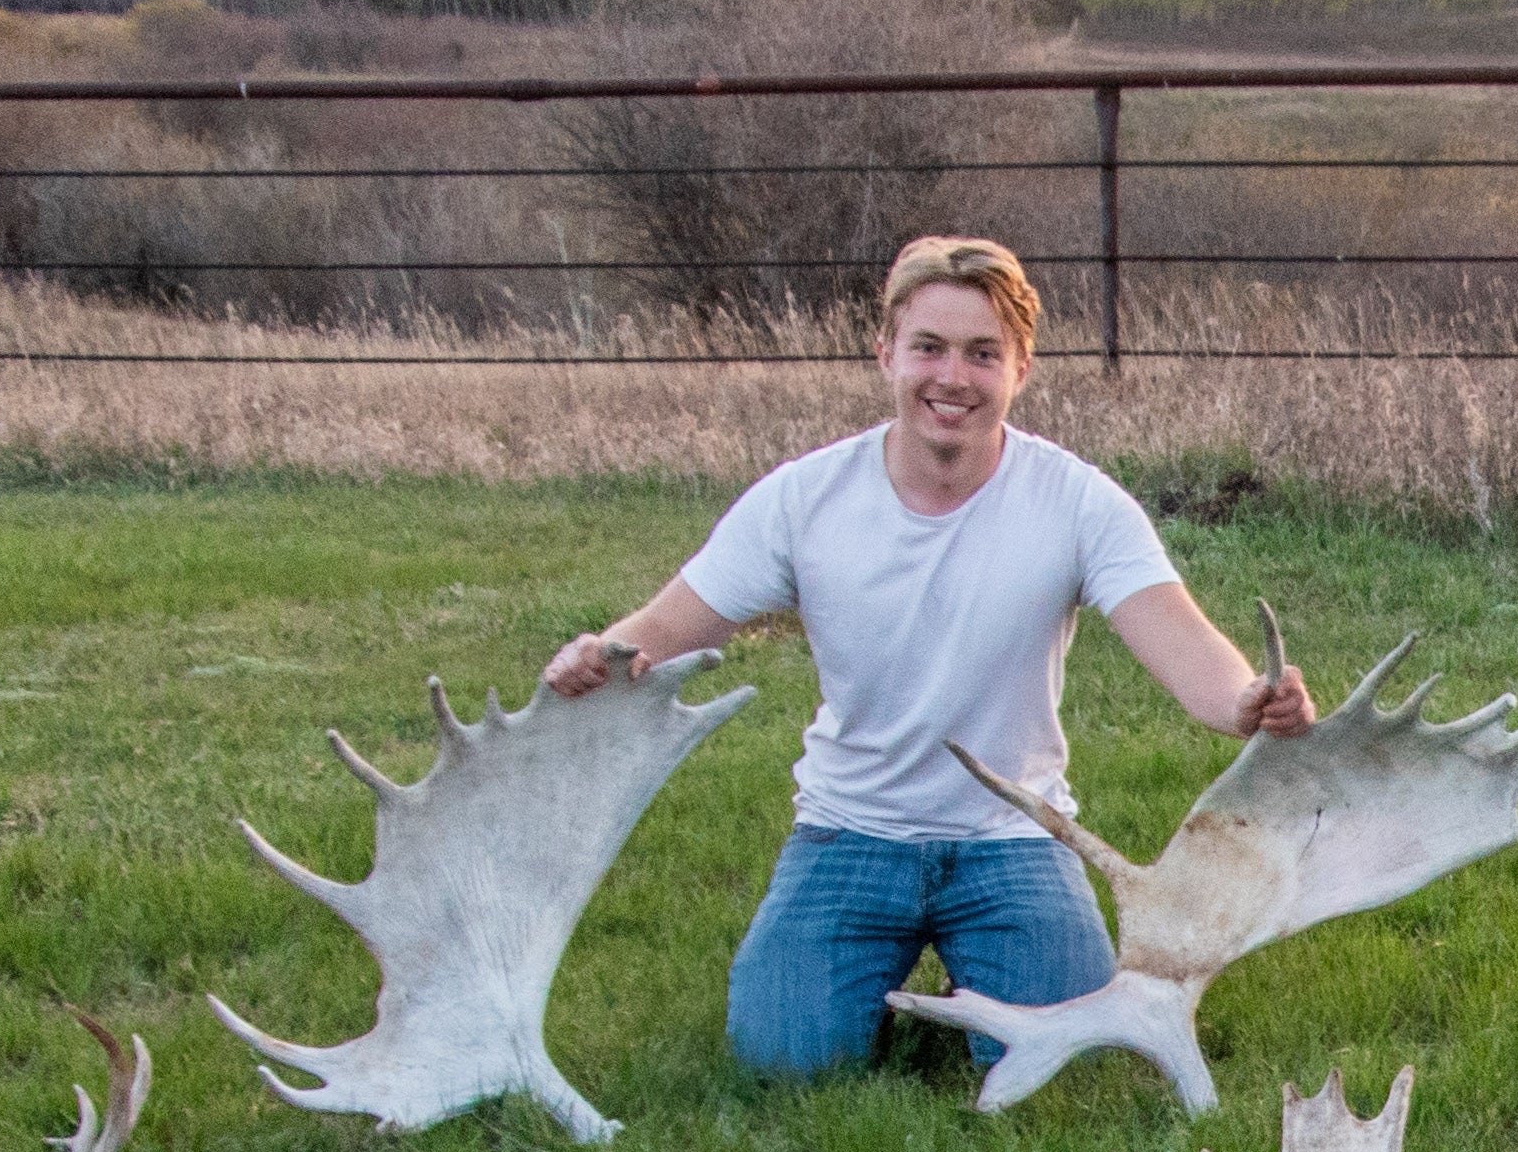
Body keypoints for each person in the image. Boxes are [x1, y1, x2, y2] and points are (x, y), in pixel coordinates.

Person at [541, 235, 1313, 1077]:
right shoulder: (804, 499)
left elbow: (1184, 645)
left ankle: (972, 960)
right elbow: (664, 631)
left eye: (983, 354)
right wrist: (600, 655)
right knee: (781, 1064)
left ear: (1021, 368)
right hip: (850, 832)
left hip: (1015, 836)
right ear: (886, 355)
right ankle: (875, 977)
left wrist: (1248, 702)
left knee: (1073, 1061)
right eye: (930, 349)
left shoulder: (1079, 503)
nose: (954, 378)